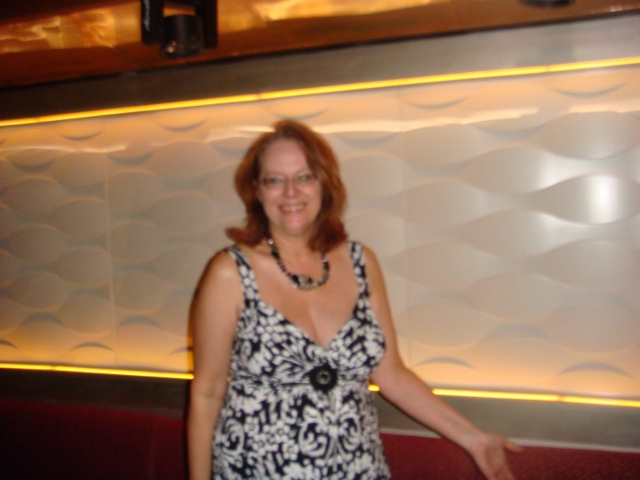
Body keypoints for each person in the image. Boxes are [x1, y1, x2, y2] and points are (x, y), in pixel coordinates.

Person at [187, 119, 522, 480]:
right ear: (256, 190)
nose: (290, 192)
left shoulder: (362, 263)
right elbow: (207, 394)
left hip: (355, 466)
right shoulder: (230, 273)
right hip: (258, 468)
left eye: (304, 177)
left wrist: (474, 439)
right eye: (274, 180)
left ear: (324, 183)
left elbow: (392, 375)